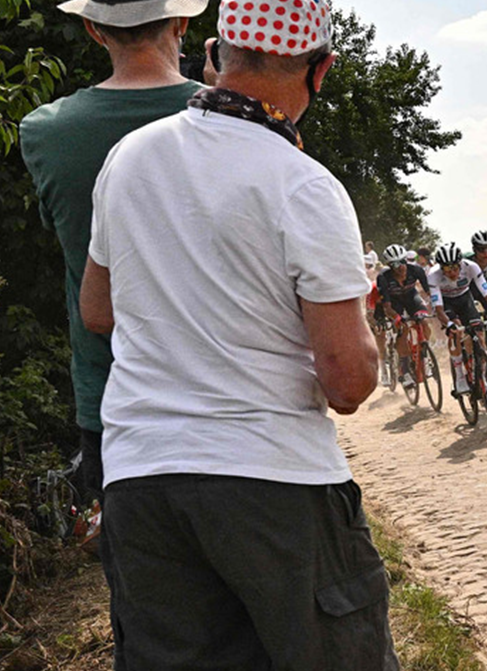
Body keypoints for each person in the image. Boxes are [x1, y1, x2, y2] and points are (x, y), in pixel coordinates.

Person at [78, 0, 398, 664]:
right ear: (321, 69)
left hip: (141, 480)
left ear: (218, 53)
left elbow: (98, 312)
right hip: (272, 479)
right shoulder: (304, 186)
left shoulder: (129, 158)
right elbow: (347, 380)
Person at [20, 0, 209, 660]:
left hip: (113, 403)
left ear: (94, 29)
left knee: (152, 619)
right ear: (182, 24)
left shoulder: (46, 131)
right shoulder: (233, 117)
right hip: (232, 396)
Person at [429, 242, 487, 401]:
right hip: (446, 303)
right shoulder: (433, 276)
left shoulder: (471, 267)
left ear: (460, 263)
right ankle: (460, 377)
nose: (452, 272)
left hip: (465, 299)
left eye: (455, 267)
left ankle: (483, 380)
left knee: (479, 336)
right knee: (455, 333)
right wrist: (450, 324)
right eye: (447, 269)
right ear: (441, 268)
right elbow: (438, 309)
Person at [374, 244, 435, 389]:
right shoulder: (383, 277)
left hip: (411, 297)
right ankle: (405, 370)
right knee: (402, 329)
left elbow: (429, 292)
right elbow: (387, 306)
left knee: (424, 322)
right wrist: (396, 318)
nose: (401, 266)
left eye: (403, 261)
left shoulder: (416, 270)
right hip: (394, 303)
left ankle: (425, 357)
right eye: (395, 264)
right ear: (389, 265)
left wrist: (435, 306)